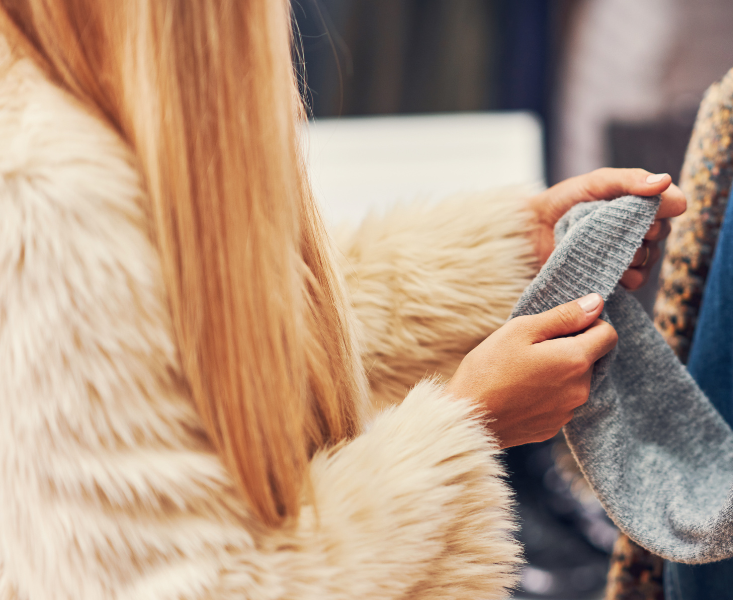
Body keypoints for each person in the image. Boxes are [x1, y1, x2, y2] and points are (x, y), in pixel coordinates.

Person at [0, 1, 684, 598]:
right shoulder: (49, 192)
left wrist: (504, 256)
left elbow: (166, 351)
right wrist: (466, 424)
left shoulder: (63, 106)